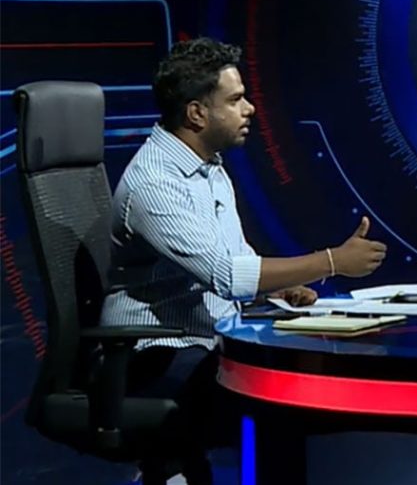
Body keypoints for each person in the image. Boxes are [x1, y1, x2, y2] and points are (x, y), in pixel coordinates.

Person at [100, 38, 388, 484]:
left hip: (202, 344)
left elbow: (235, 258)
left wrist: (277, 287)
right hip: (151, 356)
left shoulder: (209, 167)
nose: (250, 108)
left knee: (291, 388)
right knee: (279, 401)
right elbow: (227, 276)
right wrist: (331, 261)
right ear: (197, 114)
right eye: (235, 100)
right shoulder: (154, 185)